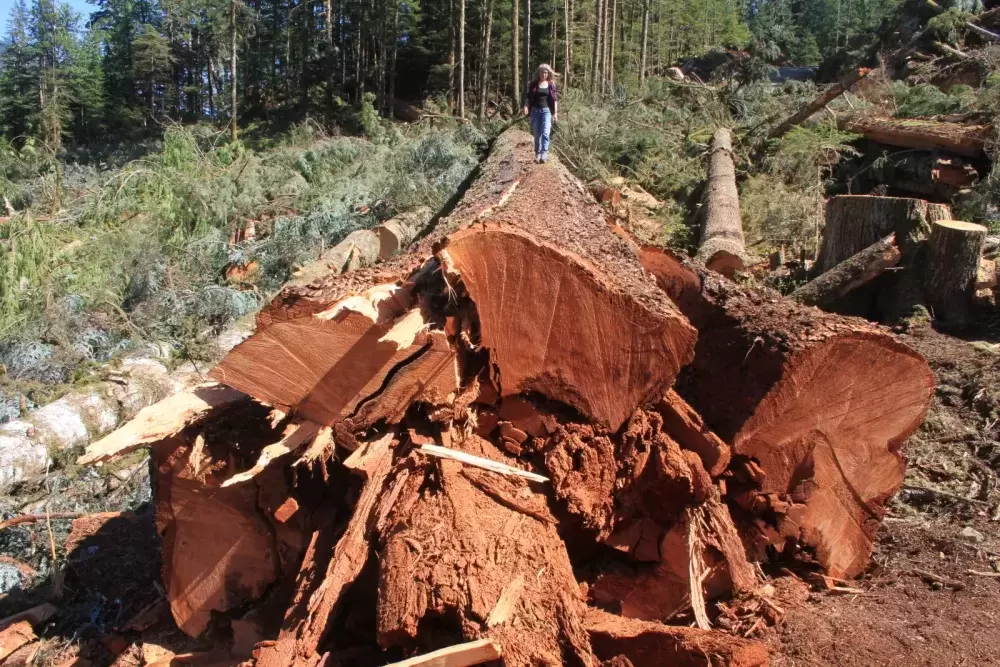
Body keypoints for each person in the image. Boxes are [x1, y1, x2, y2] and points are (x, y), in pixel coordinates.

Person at [521, 64, 559, 163]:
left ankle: (544, 154)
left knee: (546, 133)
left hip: (546, 112)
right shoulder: (533, 84)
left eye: (546, 72)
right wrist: (526, 106)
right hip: (535, 111)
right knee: (537, 135)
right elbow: (528, 97)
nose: (544, 74)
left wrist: (555, 113)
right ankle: (537, 154)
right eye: (542, 72)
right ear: (539, 73)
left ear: (548, 74)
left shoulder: (551, 85)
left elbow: (554, 99)